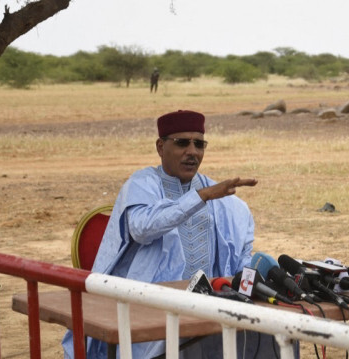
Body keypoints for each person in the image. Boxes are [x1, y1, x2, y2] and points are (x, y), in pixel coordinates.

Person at [62, 110, 285, 358]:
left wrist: (264, 274)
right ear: (160, 146)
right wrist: (201, 197)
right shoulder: (142, 184)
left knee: (272, 335)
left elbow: (238, 262)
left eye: (199, 144)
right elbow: (143, 229)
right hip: (146, 311)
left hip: (209, 310)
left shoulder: (226, 202)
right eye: (182, 143)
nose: (192, 151)